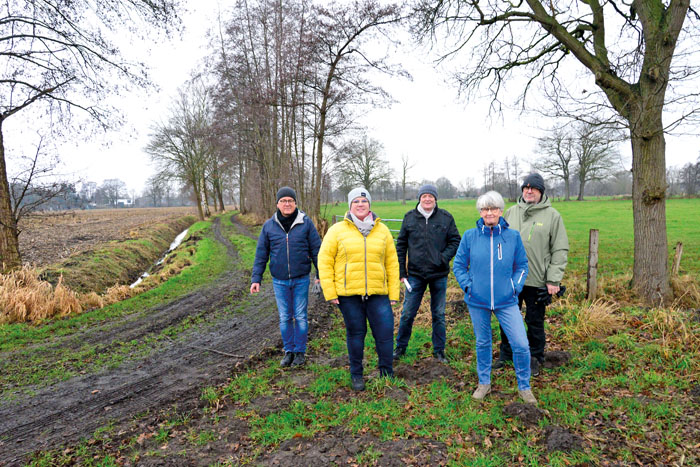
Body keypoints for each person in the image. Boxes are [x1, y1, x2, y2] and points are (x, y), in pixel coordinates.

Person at [453, 191, 537, 404]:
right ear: (480, 212)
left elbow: (522, 266)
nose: (489, 213)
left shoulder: (512, 237)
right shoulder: (470, 236)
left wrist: (514, 287)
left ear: (500, 211)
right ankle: (484, 383)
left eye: (493, 208)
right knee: (483, 343)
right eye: (485, 209)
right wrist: (468, 286)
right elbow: (459, 266)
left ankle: (524, 387)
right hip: (477, 301)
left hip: (506, 301)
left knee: (520, 344)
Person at [318, 187, 400, 391]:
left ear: (370, 204)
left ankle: (386, 371)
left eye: (364, 201)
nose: (360, 205)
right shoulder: (337, 230)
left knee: (385, 332)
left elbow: (392, 262)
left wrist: (393, 292)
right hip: (348, 294)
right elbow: (325, 261)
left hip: (378, 292)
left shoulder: (382, 231)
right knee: (356, 333)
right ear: (350, 206)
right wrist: (330, 292)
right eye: (356, 202)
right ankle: (357, 374)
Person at [494, 173, 569, 376]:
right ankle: (506, 354)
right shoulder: (510, 213)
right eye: (525, 188)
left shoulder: (552, 216)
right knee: (508, 317)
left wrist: (553, 280)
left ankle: (535, 356)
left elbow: (560, 249)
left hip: (537, 279)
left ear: (540, 192)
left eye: (533, 188)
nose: (528, 191)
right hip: (511, 280)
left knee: (534, 320)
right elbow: (499, 242)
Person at [251, 186, 321, 368]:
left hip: (301, 278)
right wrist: (256, 279)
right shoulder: (269, 226)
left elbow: (317, 250)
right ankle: (288, 351)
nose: (287, 204)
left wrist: (319, 274)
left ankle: (300, 352)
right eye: (283, 201)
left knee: (300, 316)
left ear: (296, 203)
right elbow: (261, 254)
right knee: (284, 317)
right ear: (277, 204)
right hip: (279, 280)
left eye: (290, 200)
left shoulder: (306, 223)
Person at [394, 184, 461, 363]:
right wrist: (402, 271)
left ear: (435, 198)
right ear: (419, 198)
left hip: (438, 275)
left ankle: (439, 351)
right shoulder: (409, 218)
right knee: (408, 313)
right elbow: (400, 245)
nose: (427, 199)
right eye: (424, 196)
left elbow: (455, 240)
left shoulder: (446, 218)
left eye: (431, 196)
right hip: (415, 275)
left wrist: (443, 258)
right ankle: (400, 347)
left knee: (438, 314)